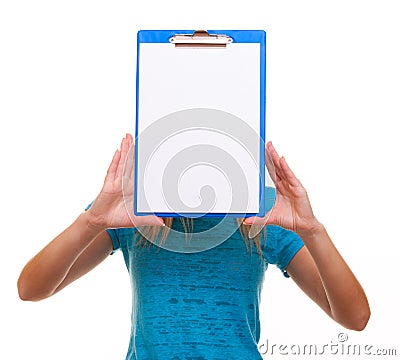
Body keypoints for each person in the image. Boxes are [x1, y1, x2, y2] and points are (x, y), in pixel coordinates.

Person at [17, 133, 370, 359]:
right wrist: (92, 220)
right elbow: (31, 288)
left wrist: (312, 230)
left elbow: (355, 317)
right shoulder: (137, 210)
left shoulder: (260, 213)